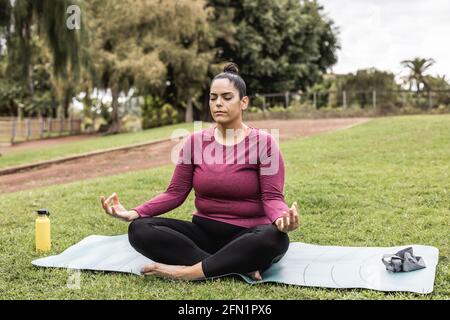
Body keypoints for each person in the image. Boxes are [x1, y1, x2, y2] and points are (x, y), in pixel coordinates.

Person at [100, 62, 299, 281]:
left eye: (226, 97)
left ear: (244, 102)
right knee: (140, 229)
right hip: (203, 233)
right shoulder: (195, 142)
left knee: (274, 238)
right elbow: (175, 193)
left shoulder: (265, 143)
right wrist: (135, 212)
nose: (218, 104)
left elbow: (272, 197)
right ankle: (233, 265)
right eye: (213, 98)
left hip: (247, 235)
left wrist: (281, 218)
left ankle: (189, 272)